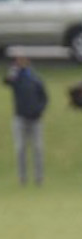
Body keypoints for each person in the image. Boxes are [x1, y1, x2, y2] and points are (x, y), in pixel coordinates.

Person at [4, 54, 47, 186]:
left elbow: (44, 97)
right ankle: (22, 177)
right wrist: (13, 70)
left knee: (38, 148)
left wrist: (39, 110)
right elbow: (6, 81)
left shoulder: (36, 79)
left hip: (35, 120)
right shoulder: (17, 79)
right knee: (20, 149)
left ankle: (39, 178)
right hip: (20, 118)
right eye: (19, 61)